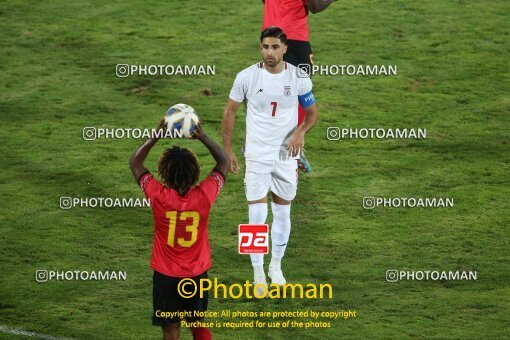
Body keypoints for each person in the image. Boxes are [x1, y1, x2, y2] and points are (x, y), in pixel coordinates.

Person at [221, 27, 318, 291]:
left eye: (275, 47)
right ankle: (257, 273)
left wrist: (300, 132)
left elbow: (311, 114)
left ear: (285, 48)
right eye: (265, 47)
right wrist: (228, 150)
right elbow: (230, 112)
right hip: (256, 155)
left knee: (282, 211)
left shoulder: (298, 77)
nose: (269, 52)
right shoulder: (247, 77)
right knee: (257, 213)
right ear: (260, 48)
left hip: (286, 156)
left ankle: (275, 266)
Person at [130, 120, 229, 340]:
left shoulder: (157, 195)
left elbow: (136, 162)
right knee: (197, 324)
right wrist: (201, 136)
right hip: (196, 275)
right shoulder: (205, 195)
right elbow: (223, 161)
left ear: (164, 173)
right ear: (194, 172)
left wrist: (156, 135)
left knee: (171, 331)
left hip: (166, 277)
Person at [262, 0, 336, 173]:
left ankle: (282, 150)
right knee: (298, 94)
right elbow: (315, 6)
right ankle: (288, 153)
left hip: (269, 36)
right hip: (293, 39)